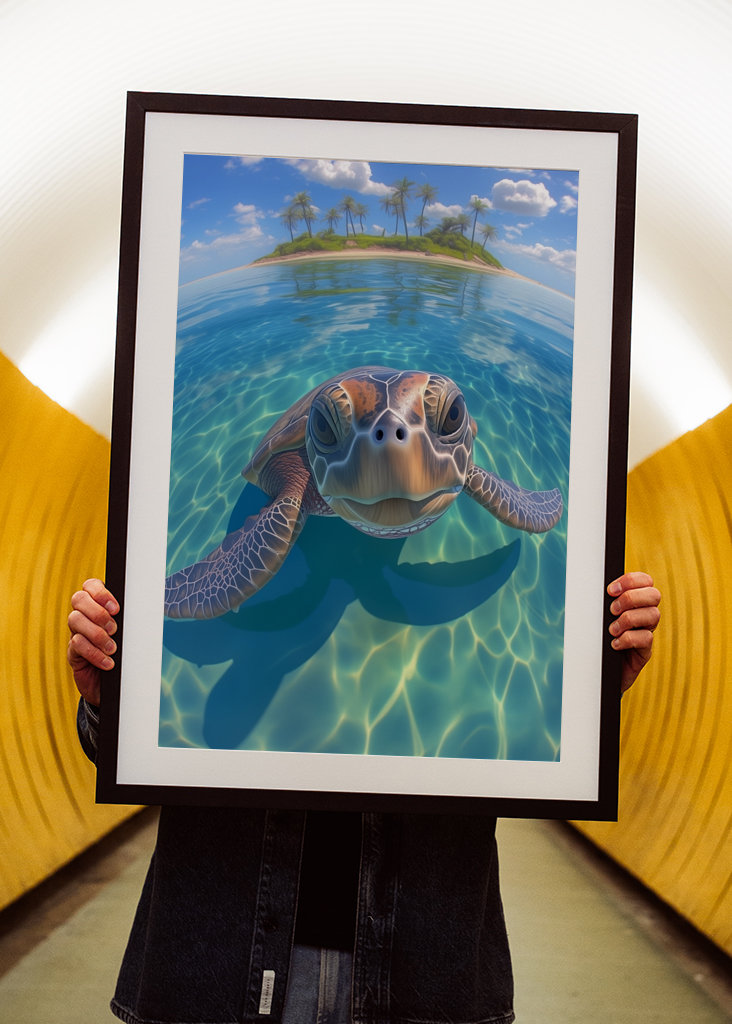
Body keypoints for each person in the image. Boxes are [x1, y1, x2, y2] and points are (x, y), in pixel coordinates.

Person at [68, 572, 661, 1024]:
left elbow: (511, 714)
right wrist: (110, 698)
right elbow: (139, 743)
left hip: (422, 960)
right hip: (224, 955)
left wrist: (587, 689)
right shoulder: (230, 610)